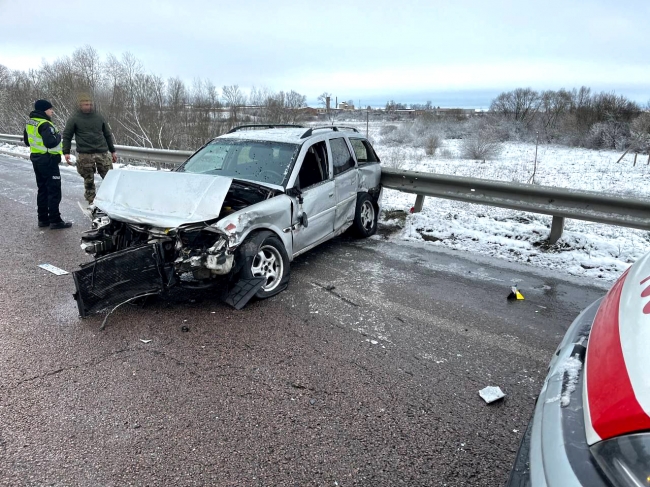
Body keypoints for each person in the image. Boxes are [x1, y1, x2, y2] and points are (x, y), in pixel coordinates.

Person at [23, 99, 72, 229]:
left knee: (42, 189)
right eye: (51, 109)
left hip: (36, 159)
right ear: (45, 110)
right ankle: (55, 220)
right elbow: (50, 142)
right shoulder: (45, 124)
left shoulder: (30, 123)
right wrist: (59, 136)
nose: (52, 111)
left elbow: (27, 142)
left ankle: (43, 219)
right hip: (49, 160)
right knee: (54, 190)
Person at [62, 94, 117, 205]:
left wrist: (112, 151)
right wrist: (66, 152)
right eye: (85, 104)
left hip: (102, 152)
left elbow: (107, 134)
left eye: (90, 104)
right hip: (85, 153)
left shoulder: (99, 117)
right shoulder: (74, 118)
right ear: (80, 105)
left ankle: (111, 199)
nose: (88, 106)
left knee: (109, 177)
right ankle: (92, 201)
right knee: (88, 180)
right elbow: (67, 135)